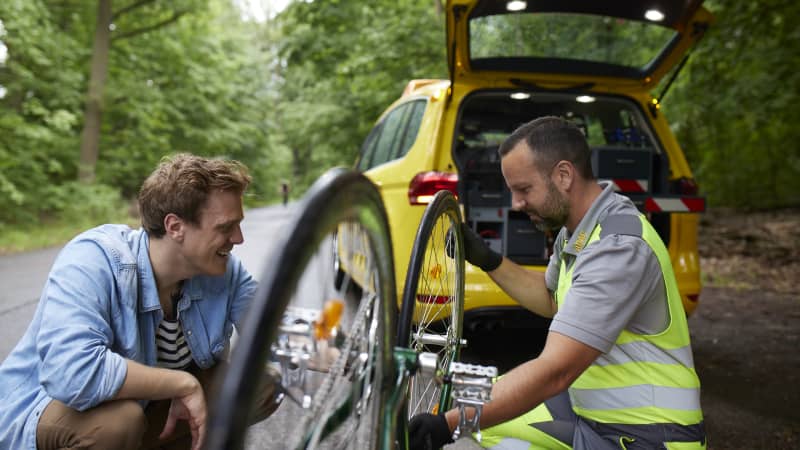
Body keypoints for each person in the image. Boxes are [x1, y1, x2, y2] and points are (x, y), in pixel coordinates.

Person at [409, 117, 705, 449]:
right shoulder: (577, 231)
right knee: (479, 417)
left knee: (488, 431)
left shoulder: (618, 247)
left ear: (563, 176)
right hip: (595, 415)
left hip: (647, 435)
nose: (516, 204)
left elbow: (554, 372)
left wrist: (446, 425)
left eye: (524, 189)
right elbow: (550, 298)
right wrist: (486, 259)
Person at [0, 153, 278, 450]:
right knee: (117, 424)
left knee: (262, 384)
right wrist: (182, 384)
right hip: (43, 411)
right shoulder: (94, 259)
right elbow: (72, 372)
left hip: (148, 409)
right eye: (225, 227)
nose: (238, 238)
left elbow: (275, 329)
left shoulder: (224, 271)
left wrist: (330, 350)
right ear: (175, 227)